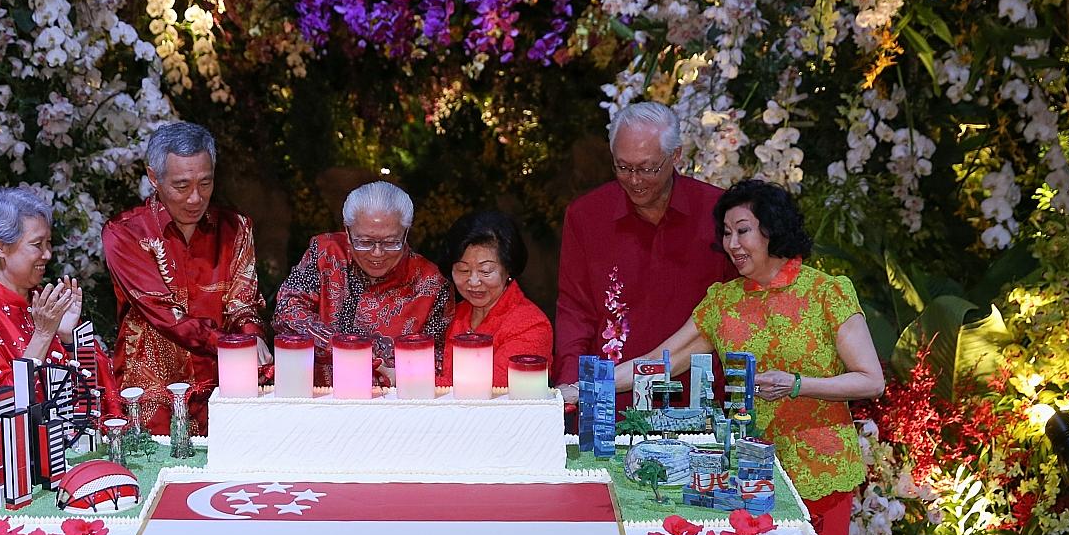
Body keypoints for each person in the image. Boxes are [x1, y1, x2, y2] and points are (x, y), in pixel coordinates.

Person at [615, 179, 885, 535]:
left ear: (771, 230)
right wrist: (586, 387)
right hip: (745, 478)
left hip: (821, 473)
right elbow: (660, 361)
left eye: (742, 230)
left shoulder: (826, 292)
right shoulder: (723, 302)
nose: (732, 244)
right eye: (726, 233)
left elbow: (870, 380)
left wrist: (796, 385)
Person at [554, 101, 736, 404]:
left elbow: (739, 307)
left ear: (675, 155)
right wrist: (571, 386)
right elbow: (575, 309)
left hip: (697, 398)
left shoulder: (717, 212)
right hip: (609, 401)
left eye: (647, 168)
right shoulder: (586, 216)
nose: (634, 180)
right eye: (623, 167)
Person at [102, 122, 268, 434]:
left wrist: (252, 334)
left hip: (222, 393)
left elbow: (242, 302)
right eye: (181, 186)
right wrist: (234, 345)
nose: (195, 198)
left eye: (205, 184)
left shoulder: (236, 228)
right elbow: (165, 313)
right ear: (154, 177)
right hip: (150, 398)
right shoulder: (125, 233)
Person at [0, 187, 82, 502]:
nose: (47, 254)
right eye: (36, 244)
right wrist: (42, 335)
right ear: (0, 246)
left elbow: (83, 393)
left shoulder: (40, 305)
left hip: (54, 462)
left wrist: (66, 337)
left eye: (49, 243)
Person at [274, 180, 450, 380]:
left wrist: (405, 376)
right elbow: (287, 310)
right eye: (365, 242)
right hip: (320, 395)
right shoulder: (325, 252)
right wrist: (345, 345)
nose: (377, 253)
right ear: (348, 232)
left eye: (391, 242)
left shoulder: (431, 283)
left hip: (390, 402)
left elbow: (437, 360)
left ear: (406, 233)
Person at [441, 210, 553, 390]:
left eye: (485, 271)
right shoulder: (451, 314)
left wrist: (417, 381)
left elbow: (491, 390)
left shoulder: (531, 325)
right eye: (463, 270)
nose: (474, 282)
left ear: (508, 269)